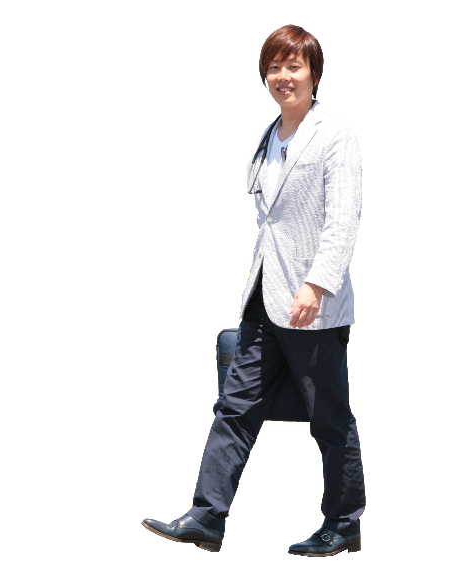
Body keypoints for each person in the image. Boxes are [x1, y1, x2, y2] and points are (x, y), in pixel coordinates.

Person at [142, 25, 365, 557]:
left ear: (314, 74)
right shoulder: (270, 137)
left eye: (294, 66)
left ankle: (343, 523)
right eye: (274, 67)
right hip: (265, 297)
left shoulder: (335, 136)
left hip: (313, 305)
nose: (283, 76)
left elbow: (342, 220)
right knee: (235, 407)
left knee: (329, 419)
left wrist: (316, 284)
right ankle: (206, 515)